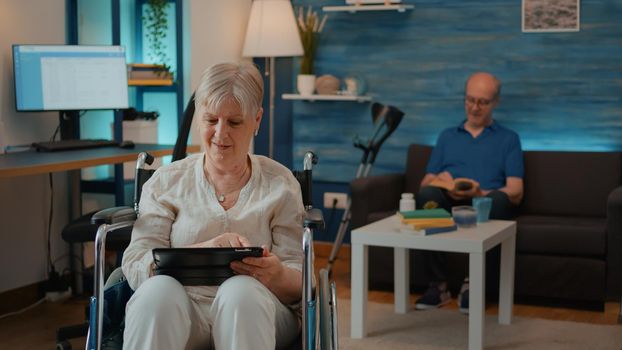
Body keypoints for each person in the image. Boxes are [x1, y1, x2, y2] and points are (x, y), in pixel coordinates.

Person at [121, 62, 304, 350]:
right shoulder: (167, 181)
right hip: (184, 314)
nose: (220, 134)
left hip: (259, 312)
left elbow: (302, 282)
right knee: (158, 292)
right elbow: (135, 264)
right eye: (210, 120)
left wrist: (278, 274)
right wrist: (195, 254)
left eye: (234, 122)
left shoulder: (280, 184)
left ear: (256, 120)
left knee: (240, 292)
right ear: (198, 119)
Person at [414, 72, 524, 313]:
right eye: (469, 100)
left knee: (497, 200)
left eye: (482, 102)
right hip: (448, 201)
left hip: (485, 204)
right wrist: (441, 180)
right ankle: (438, 286)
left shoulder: (509, 139)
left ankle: (474, 285)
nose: (474, 108)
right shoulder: (447, 136)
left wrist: (479, 192)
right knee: (425, 197)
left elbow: (516, 190)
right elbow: (425, 183)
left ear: (496, 102)